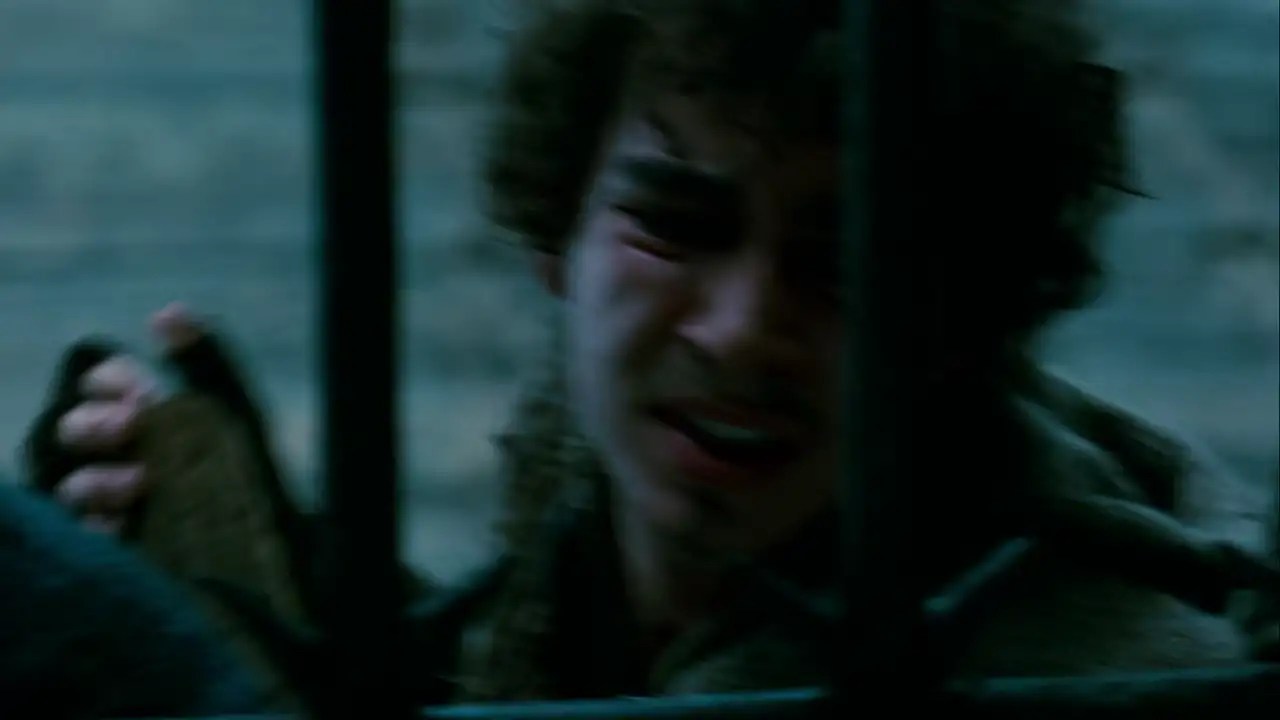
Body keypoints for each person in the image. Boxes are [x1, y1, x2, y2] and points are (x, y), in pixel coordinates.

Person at [18, 0, 1278, 709]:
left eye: (841, 266)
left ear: (959, 329)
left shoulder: (1084, 674)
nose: (739, 329)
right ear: (552, 238)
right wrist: (280, 570)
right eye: (675, 225)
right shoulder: (577, 476)